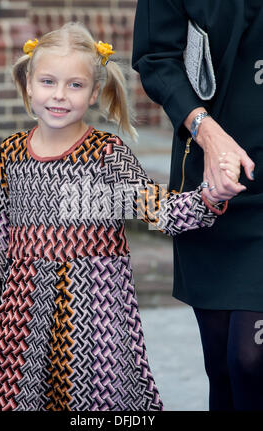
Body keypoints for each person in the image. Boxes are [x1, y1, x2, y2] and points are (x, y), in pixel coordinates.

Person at [0, 21, 240, 411]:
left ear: (94, 92)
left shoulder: (105, 154)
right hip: (22, 321)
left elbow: (157, 210)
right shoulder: (11, 153)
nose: (59, 95)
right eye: (47, 82)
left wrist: (210, 196)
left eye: (74, 85)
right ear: (28, 84)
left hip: (94, 321)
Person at [132, 0, 263, 411]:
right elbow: (156, 56)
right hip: (214, 186)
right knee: (222, 368)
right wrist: (207, 134)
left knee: (249, 359)